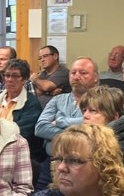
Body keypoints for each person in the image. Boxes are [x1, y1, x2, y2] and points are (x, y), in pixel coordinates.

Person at [35, 56, 99, 188]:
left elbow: (95, 127)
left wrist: (60, 121)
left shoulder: (100, 102)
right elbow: (40, 128)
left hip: (84, 165)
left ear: (96, 77)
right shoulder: (58, 100)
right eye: (73, 72)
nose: (76, 77)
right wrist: (77, 133)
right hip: (52, 162)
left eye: (83, 73)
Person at [80, 86, 124, 196]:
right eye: (84, 110)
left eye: (93, 111)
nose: (85, 115)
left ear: (114, 116)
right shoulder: (85, 140)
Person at [0, 59, 42, 159]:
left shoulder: (31, 103)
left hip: (19, 154)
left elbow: (21, 132)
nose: (10, 80)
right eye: (7, 75)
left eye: (15, 76)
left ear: (24, 80)